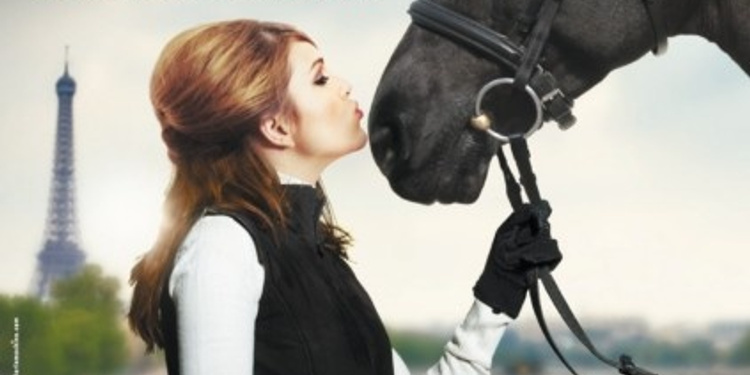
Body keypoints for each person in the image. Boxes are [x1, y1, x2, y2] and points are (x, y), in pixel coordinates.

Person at [128, 19, 559, 375]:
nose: (345, 84)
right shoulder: (221, 246)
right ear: (276, 127)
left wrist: (497, 292)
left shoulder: (320, 257)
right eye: (319, 78)